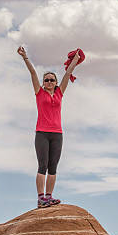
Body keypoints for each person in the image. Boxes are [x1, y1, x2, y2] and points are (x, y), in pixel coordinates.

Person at [17, 46, 81, 208]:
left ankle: (49, 196)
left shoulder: (59, 93)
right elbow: (32, 73)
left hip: (57, 134)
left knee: (53, 167)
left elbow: (67, 74)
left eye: (52, 80)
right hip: (42, 133)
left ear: (56, 83)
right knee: (42, 165)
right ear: (43, 83)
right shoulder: (39, 93)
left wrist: (74, 61)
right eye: (47, 80)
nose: (50, 82)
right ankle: (40, 198)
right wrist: (25, 57)